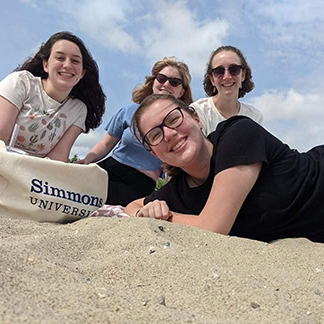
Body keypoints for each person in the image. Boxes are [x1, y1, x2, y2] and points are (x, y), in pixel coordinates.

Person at [126, 94, 324, 243]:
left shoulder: (238, 134)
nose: (169, 133)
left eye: (173, 119)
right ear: (154, 153)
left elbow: (212, 227)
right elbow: (132, 206)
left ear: (196, 119)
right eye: (155, 135)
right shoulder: (179, 191)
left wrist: (166, 218)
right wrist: (145, 214)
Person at [0, 31, 106, 162]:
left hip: (21, 166)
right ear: (46, 65)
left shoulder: (78, 110)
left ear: (82, 73)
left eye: (75, 61)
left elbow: (57, 159)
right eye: (60, 58)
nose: (67, 65)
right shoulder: (21, 82)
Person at [78, 57, 193, 206]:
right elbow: (106, 144)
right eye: (161, 78)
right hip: (109, 170)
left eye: (174, 82)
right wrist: (86, 161)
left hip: (140, 186)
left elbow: (173, 169)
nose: (166, 84)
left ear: (181, 91)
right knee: (72, 186)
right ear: (153, 82)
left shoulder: (182, 125)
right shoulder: (129, 111)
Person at [191, 45, 263, 136]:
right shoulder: (198, 112)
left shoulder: (255, 116)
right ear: (212, 79)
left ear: (243, 75)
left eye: (234, 69)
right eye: (219, 71)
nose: (227, 77)